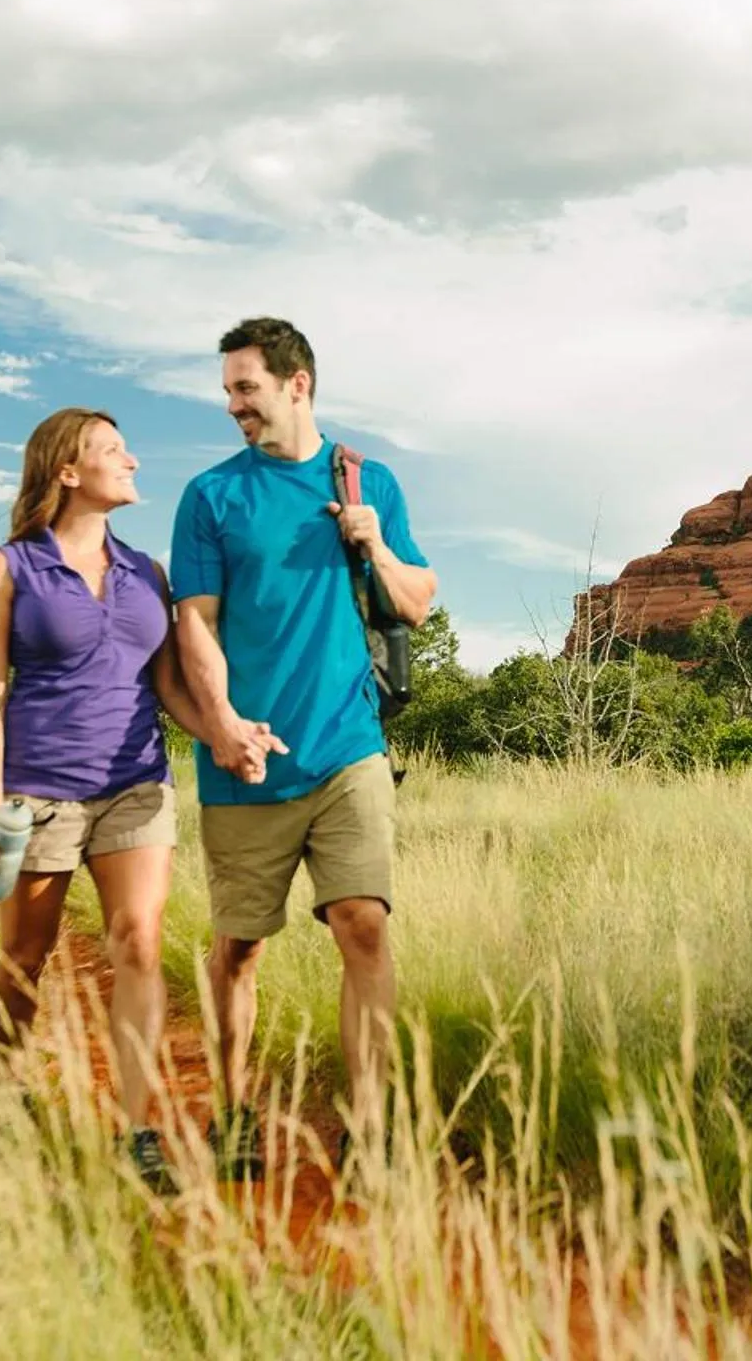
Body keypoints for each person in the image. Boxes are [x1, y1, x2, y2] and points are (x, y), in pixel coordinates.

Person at [0, 407, 282, 1192]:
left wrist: (223, 733)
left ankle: (137, 1132)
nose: (132, 459)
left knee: (138, 941)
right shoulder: (10, 568)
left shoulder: (147, 573)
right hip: (39, 791)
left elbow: (167, 684)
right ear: (68, 471)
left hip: (136, 784)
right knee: (24, 958)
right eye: (113, 450)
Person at [170, 317, 438, 1177]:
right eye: (228, 391)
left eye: (245, 388)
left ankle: (369, 1131)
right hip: (245, 760)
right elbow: (194, 625)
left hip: (348, 747)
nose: (233, 406)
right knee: (239, 950)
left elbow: (417, 600)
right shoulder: (211, 497)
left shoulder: (368, 480)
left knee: (364, 925)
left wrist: (374, 541)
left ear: (297, 384)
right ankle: (235, 1116)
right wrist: (221, 723)